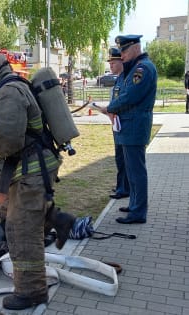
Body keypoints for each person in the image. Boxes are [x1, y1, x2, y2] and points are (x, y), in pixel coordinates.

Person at [0, 48, 75, 310]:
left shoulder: (7, 92)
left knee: (21, 232)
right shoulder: (7, 86)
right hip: (31, 169)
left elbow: (8, 137)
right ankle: (59, 220)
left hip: (30, 171)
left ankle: (32, 292)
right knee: (22, 217)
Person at [100, 35, 157, 224]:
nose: (121, 55)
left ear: (135, 48)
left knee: (136, 172)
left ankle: (138, 212)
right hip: (128, 127)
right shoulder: (135, 69)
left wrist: (110, 108)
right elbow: (124, 93)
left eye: (124, 51)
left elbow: (129, 96)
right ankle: (134, 205)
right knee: (131, 172)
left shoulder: (143, 69)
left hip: (134, 127)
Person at [106, 48, 130, 200]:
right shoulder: (119, 80)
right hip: (116, 124)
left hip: (123, 125)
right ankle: (121, 185)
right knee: (119, 158)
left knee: (123, 158)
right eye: (110, 63)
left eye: (113, 63)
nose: (111, 66)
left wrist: (109, 110)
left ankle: (124, 189)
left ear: (122, 62)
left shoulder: (127, 79)